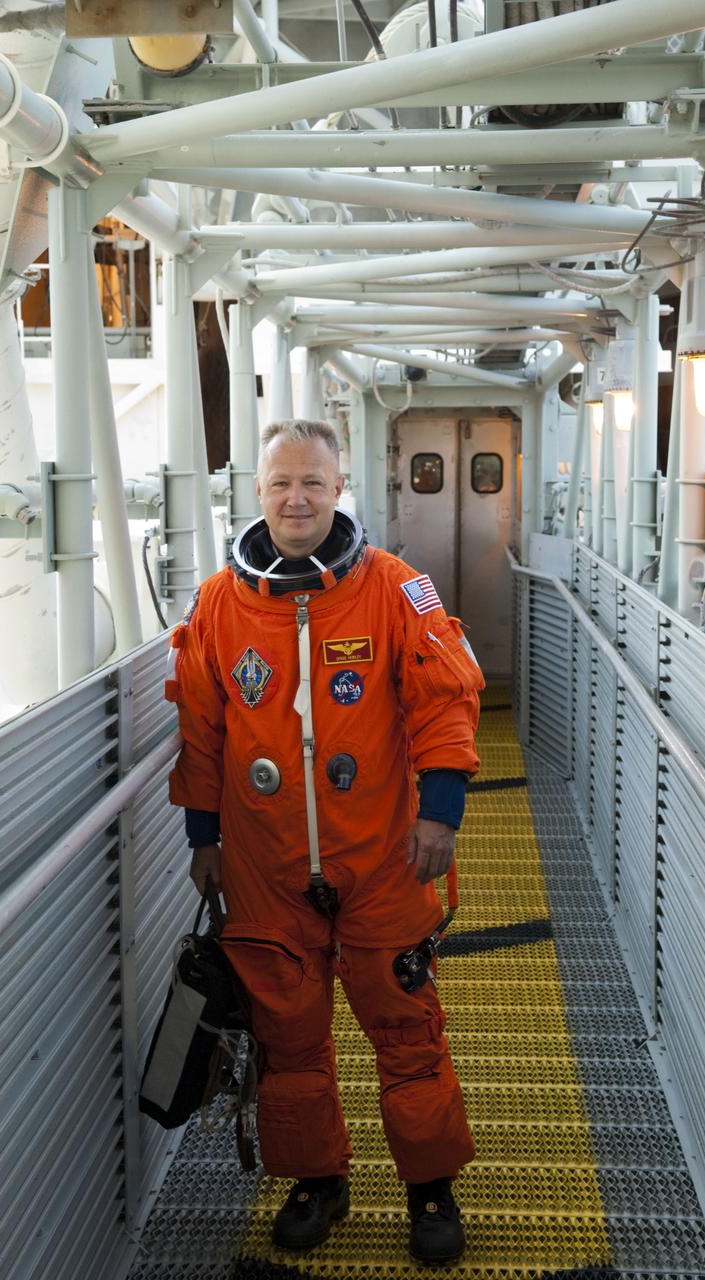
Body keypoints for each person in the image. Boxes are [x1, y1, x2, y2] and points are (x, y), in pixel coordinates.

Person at [167, 418, 483, 1265]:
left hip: (381, 858)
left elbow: (445, 700)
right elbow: (201, 732)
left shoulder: (393, 589)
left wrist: (440, 813)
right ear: (258, 491)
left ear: (339, 490)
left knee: (407, 1031)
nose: (296, 498)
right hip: (265, 868)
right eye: (280, 484)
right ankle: (317, 1180)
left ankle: (429, 1190)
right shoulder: (217, 606)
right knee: (289, 1040)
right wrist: (205, 838)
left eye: (312, 482)